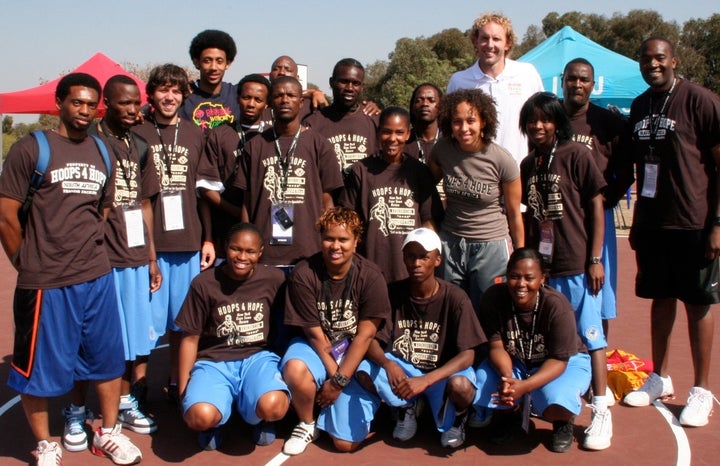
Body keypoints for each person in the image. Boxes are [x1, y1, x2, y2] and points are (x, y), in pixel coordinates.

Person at [0, 73, 142, 465]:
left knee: (108, 359)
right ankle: (46, 443)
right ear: (59, 102)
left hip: (95, 276)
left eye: (90, 104)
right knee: (36, 370)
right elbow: (7, 216)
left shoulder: (101, 150)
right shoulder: (32, 149)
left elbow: (103, 208)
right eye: (77, 102)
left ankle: (109, 433)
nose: (84, 111)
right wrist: (23, 260)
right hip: (46, 282)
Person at [622, 37, 720, 428]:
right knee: (660, 300)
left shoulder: (700, 100)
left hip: (694, 223)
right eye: (646, 59)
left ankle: (701, 389)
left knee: (698, 305)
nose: (653, 65)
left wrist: (716, 223)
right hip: (653, 224)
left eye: (660, 58)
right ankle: (659, 377)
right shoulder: (640, 105)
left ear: (673, 60)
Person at [63, 75, 163, 452]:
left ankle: (122, 404)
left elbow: (146, 203)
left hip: (135, 256)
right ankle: (74, 410)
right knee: (94, 340)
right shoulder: (91, 144)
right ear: (107, 103)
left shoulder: (139, 145)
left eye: (137, 103)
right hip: (99, 258)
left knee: (134, 340)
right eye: (124, 103)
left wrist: (152, 257)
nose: (133, 109)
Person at [518, 91, 612, 450]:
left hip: (576, 264)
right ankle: (550, 403)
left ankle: (601, 410)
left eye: (545, 119)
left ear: (557, 121)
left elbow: (595, 205)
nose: (538, 126)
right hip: (544, 268)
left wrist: (595, 257)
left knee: (590, 339)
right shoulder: (529, 164)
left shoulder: (577, 155)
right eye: (532, 120)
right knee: (554, 339)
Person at [356, 228, 486, 448]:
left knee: (462, 386)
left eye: (424, 256)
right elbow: (370, 340)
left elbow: (468, 355)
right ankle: (405, 408)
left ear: (437, 260)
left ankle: (458, 418)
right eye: (411, 256)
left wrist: (427, 380)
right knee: (364, 371)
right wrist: (388, 364)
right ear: (404, 258)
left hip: (440, 374)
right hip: (405, 370)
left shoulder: (455, 297)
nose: (417, 263)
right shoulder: (392, 293)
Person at [132, 64, 215, 403]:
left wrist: (208, 238)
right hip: (147, 246)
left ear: (183, 96)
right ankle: (137, 390)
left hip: (187, 244)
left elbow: (204, 192)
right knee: (145, 328)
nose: (169, 97)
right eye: (163, 90)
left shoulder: (195, 132)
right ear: (151, 93)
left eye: (176, 91)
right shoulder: (137, 132)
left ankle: (177, 385)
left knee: (184, 325)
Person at [280, 207, 391, 455]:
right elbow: (314, 334)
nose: (335, 246)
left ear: (356, 241)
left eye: (343, 239)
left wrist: (339, 381)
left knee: (345, 445)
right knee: (295, 368)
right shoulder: (304, 274)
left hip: (356, 353)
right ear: (320, 238)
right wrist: (337, 379)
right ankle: (307, 423)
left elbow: (365, 336)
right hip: (318, 347)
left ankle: (380, 407)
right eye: (329, 238)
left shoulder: (371, 276)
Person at [176, 223, 290, 450]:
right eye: (235, 249)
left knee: (274, 406)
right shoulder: (204, 283)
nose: (242, 257)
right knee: (199, 416)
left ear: (260, 252)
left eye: (250, 251)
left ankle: (257, 417)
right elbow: (189, 339)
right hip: (214, 362)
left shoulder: (275, 279)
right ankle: (215, 420)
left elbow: (284, 326)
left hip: (257, 357)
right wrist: (183, 392)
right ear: (224, 248)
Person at [473, 248, 591, 453]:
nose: (521, 284)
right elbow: (496, 345)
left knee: (555, 402)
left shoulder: (557, 306)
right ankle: (511, 413)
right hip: (516, 361)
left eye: (529, 278)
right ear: (506, 276)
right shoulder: (493, 298)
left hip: (562, 363)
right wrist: (508, 380)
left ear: (542, 279)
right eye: (514, 277)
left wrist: (525, 386)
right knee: (483, 383)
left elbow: (559, 360)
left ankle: (563, 421)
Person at [427, 89, 524, 310]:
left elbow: (514, 213)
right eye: (457, 122)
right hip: (451, 242)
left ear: (484, 122)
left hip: (490, 244)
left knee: (488, 308)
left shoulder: (501, 159)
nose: (464, 128)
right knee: (451, 307)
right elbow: (426, 183)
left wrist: (519, 254)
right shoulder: (442, 149)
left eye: (471, 121)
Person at [234, 76, 343, 270]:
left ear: (301, 102)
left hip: (308, 255)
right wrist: (247, 246)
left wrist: (327, 245)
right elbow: (247, 202)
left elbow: (327, 201)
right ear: (270, 103)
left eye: (291, 95)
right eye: (279, 95)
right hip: (264, 256)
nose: (285, 100)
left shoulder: (320, 145)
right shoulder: (254, 146)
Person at [561, 58, 633, 340]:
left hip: (595, 220)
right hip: (559, 219)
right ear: (562, 81)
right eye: (571, 79)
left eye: (583, 80)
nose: (577, 85)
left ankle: (596, 366)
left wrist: (605, 201)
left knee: (596, 293)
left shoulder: (608, 123)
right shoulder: (551, 120)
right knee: (558, 293)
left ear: (593, 84)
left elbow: (626, 170)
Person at [340, 106, 443, 282]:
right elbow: (349, 220)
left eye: (399, 132)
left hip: (409, 271)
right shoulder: (361, 170)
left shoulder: (419, 171)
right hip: (370, 269)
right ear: (379, 133)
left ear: (408, 135)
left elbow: (428, 220)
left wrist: (425, 259)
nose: (392, 139)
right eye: (387, 132)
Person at [446, 13, 543, 166]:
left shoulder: (527, 74)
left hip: (519, 174)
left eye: (496, 39)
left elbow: (543, 121)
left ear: (508, 43)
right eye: (484, 38)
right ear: (475, 41)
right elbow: (447, 133)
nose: (490, 45)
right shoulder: (459, 81)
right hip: (474, 177)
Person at [199, 74, 271, 259]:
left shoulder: (274, 136)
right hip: (226, 227)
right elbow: (206, 188)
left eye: (258, 99)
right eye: (246, 97)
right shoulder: (220, 133)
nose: (251, 104)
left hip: (268, 224)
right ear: (238, 98)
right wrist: (237, 212)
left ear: (266, 104)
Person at [303, 58, 380, 174]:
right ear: (331, 82)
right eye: (343, 81)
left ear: (362, 87)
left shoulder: (375, 119)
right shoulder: (313, 123)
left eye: (356, 83)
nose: (349, 88)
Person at [180, 29, 239, 132]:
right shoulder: (184, 97)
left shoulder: (237, 95)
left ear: (228, 63)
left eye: (219, 61)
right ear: (197, 62)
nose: (213, 67)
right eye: (207, 61)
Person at [406, 83, 443, 163]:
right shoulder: (403, 141)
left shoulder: (450, 141)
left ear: (441, 107)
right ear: (412, 107)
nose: (425, 104)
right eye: (419, 100)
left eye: (431, 100)